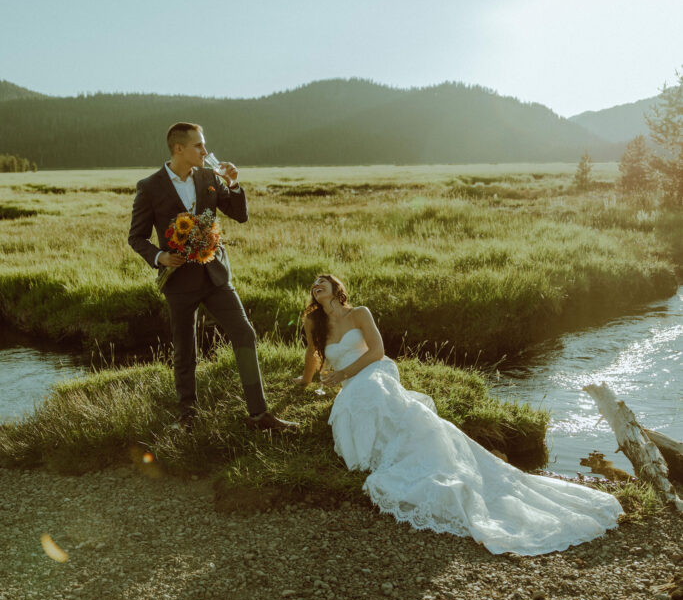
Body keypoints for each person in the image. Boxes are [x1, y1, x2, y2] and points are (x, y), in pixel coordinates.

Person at [295, 274, 623, 556]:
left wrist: (342, 374)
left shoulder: (359, 313)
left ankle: (403, 444)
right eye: (313, 284)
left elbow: (378, 352)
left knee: (378, 393)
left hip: (375, 370)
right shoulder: (315, 322)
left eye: (322, 281)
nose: (316, 285)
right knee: (355, 402)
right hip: (350, 384)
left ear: (336, 288)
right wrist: (306, 381)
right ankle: (383, 451)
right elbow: (313, 353)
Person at [128, 121, 296, 433]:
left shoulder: (208, 177)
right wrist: (160, 256)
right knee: (185, 349)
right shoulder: (149, 187)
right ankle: (188, 417)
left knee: (244, 334)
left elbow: (240, 215)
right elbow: (136, 237)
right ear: (179, 149)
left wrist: (232, 184)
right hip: (178, 282)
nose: (206, 151)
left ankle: (259, 416)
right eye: (199, 146)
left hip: (216, 275)